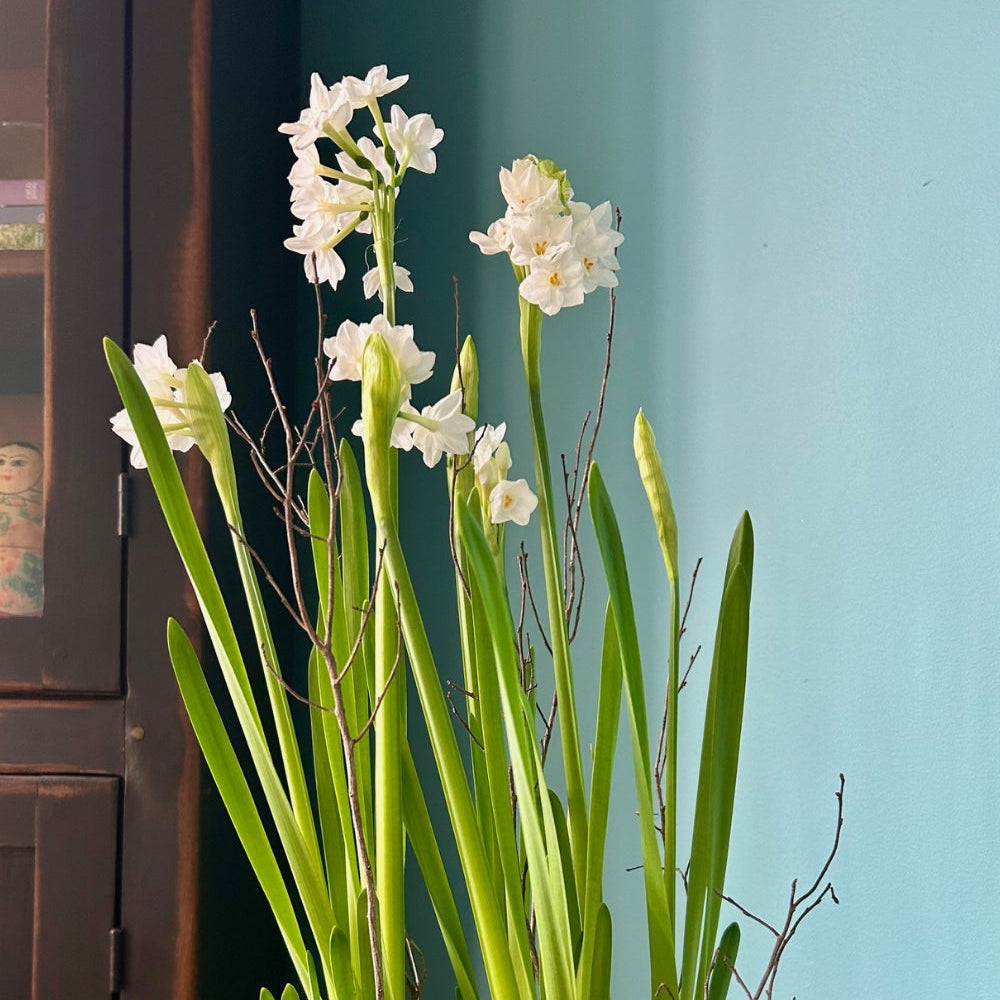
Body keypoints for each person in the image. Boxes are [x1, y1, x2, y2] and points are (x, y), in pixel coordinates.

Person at [0, 441, 44, 616]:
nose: (7, 469)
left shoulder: (40, 503)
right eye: (1, 462)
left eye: (18, 463)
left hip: (29, 565)